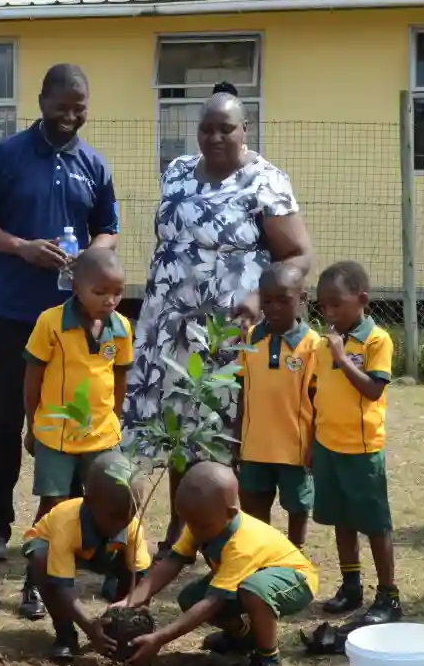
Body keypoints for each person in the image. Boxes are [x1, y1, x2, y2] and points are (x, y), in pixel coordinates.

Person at [126, 85, 313, 551]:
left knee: (216, 427)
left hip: (225, 326)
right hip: (166, 320)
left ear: (244, 129)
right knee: (174, 426)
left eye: (225, 128)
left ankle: (219, 531)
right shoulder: (177, 171)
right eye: (206, 128)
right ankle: (178, 525)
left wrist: (255, 295)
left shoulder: (265, 180)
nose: (214, 137)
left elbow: (298, 254)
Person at [0, 63, 120, 561]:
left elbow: (108, 229)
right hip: (13, 310)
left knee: (74, 416)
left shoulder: (93, 165)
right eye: (62, 106)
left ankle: (72, 526)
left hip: (73, 317)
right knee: (8, 418)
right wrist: (20, 247)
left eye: (80, 108)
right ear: (42, 101)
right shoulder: (7, 156)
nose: (71, 116)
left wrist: (89, 260)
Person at [118, 461, 318, 666]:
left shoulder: (242, 542)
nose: (194, 532)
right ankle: (243, 639)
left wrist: (160, 639)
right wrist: (131, 599)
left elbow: (214, 602)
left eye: (200, 526)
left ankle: (269, 661)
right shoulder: (201, 522)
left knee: (254, 591)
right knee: (190, 597)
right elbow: (171, 562)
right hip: (250, 578)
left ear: (231, 514)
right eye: (189, 524)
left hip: (295, 580)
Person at [17, 247, 133, 621]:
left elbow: (120, 376)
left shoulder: (122, 327)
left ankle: (117, 574)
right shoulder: (50, 323)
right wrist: (31, 423)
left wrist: (114, 417)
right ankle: (36, 579)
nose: (110, 300)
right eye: (100, 291)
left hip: (102, 436)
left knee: (114, 501)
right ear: (76, 286)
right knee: (53, 503)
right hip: (56, 434)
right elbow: (33, 377)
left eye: (117, 292)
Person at [309, 261, 401, 625]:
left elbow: (373, 388)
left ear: (361, 299)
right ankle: (351, 585)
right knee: (340, 519)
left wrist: (343, 358)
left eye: (337, 304)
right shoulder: (322, 344)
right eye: (322, 306)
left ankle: (389, 595)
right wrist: (311, 443)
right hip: (327, 445)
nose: (329, 313)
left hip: (361, 450)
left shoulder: (377, 340)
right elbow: (316, 395)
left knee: (375, 524)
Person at [22, 452, 152, 661]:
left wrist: (133, 618)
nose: (121, 524)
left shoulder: (131, 527)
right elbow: (62, 586)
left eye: (129, 516)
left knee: (132, 572)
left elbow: (142, 579)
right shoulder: (66, 523)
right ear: (89, 502)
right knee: (40, 559)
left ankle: (115, 631)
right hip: (51, 545)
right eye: (114, 517)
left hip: (102, 552)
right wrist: (89, 628)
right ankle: (65, 635)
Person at [235, 263, 319, 546]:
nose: (274, 308)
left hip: (294, 448)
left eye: (283, 300)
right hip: (254, 445)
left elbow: (320, 399)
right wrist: (236, 438)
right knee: (254, 505)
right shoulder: (249, 339)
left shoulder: (313, 345)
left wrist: (316, 443)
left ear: (302, 299)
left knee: (297, 506)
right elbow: (242, 389)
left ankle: (295, 554)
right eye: (267, 300)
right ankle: (262, 553)